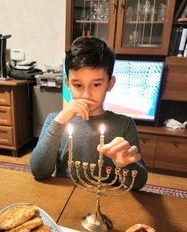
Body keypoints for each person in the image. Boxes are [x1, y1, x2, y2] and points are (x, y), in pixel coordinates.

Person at [30, 36, 147, 190]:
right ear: (68, 84)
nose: (86, 94)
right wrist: (58, 122)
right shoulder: (55, 120)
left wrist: (125, 164)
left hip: (105, 201)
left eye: (96, 84)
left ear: (110, 84)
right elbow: (38, 171)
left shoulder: (124, 124)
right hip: (65, 198)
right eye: (78, 84)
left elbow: (138, 183)